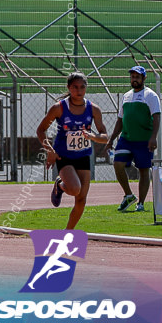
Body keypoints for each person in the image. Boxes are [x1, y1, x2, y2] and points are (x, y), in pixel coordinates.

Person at [35, 72, 108, 229]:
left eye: (82, 87)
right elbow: (41, 130)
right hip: (64, 156)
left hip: (83, 156)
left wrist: (93, 136)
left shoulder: (93, 109)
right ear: (69, 88)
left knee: (81, 200)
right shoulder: (59, 108)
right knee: (75, 189)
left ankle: (68, 232)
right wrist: (50, 150)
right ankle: (60, 185)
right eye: (75, 87)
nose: (79, 90)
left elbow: (105, 136)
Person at [105, 66, 161, 212]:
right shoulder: (126, 95)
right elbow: (120, 120)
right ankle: (129, 195)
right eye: (132, 76)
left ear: (143, 78)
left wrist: (153, 137)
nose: (134, 79)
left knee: (143, 170)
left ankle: (140, 203)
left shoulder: (151, 95)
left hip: (144, 140)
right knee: (118, 164)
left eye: (137, 77)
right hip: (126, 139)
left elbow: (156, 117)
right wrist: (111, 139)